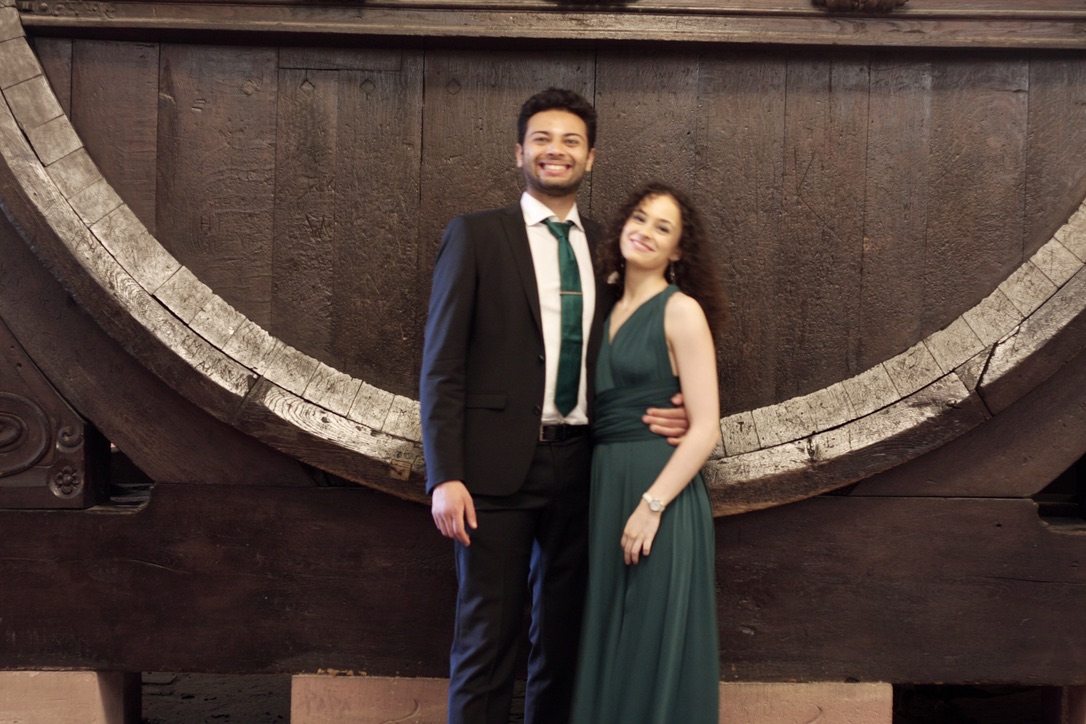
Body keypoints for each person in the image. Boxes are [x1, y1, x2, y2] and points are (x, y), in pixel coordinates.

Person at [419, 90, 689, 724]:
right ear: (519, 151)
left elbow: (632, 343)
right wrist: (444, 474)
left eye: (571, 141)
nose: (555, 150)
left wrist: (671, 409)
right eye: (541, 138)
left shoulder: (609, 247)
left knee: (564, 645)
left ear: (590, 158)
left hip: (586, 468)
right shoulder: (476, 235)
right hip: (492, 473)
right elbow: (442, 364)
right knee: (486, 642)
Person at [571, 182, 727, 724]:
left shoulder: (681, 312)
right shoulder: (604, 306)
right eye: (640, 218)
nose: (646, 232)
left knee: (650, 644)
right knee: (609, 642)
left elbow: (704, 428)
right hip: (604, 488)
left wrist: (652, 504)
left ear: (678, 249)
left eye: (663, 228)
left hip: (660, 497)